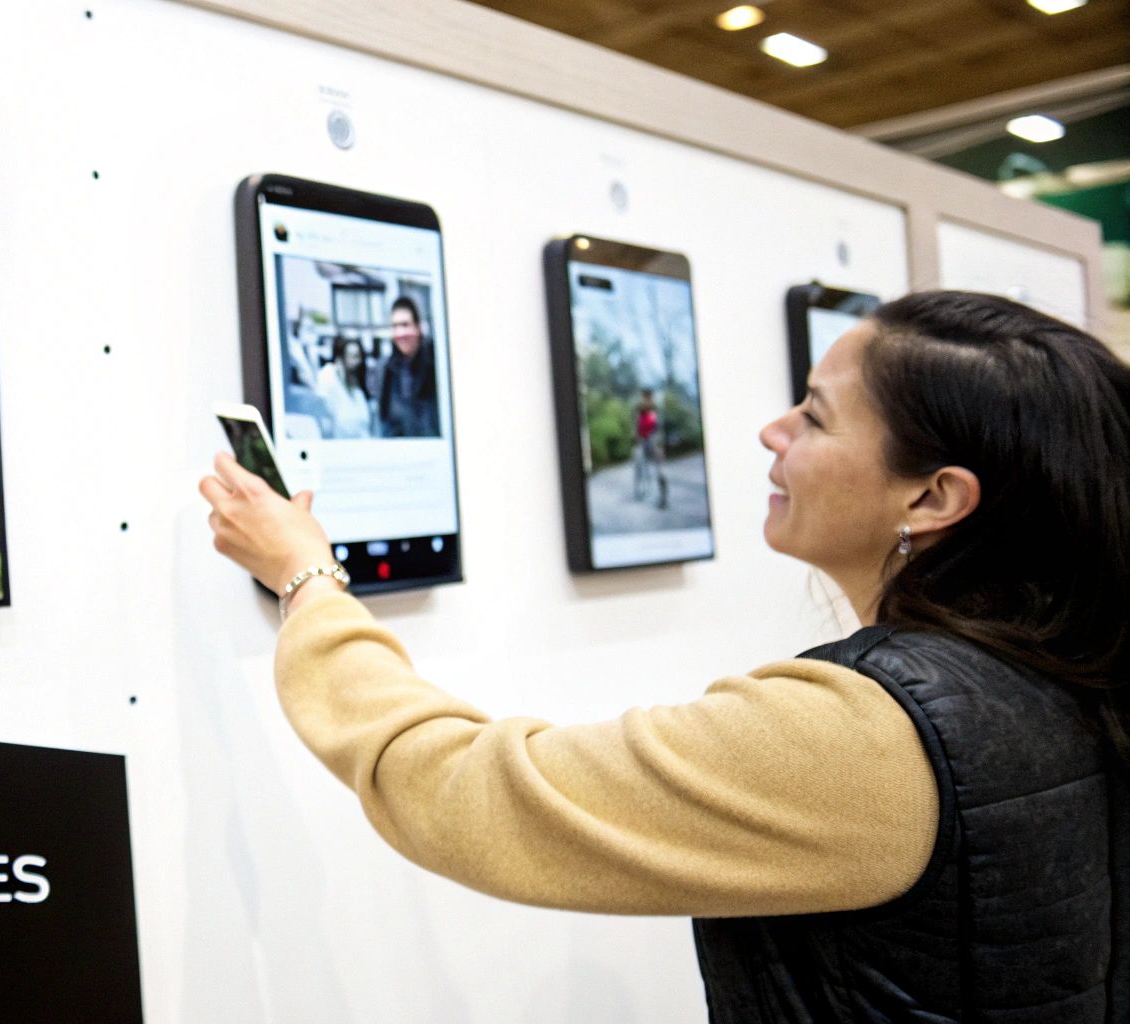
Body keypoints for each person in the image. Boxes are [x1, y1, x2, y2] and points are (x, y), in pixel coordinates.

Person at [199, 291, 1130, 1020]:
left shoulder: (872, 737)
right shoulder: (1069, 674)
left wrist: (305, 579)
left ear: (933, 499)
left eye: (813, 415)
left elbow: (458, 789)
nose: (773, 431)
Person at [376, 296, 439, 437]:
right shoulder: (387, 372)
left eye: (405, 325)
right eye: (395, 326)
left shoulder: (436, 364)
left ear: (418, 327)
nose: (400, 333)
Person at [315, 336, 374, 439]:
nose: (356, 362)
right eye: (352, 356)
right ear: (340, 357)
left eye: (358, 356)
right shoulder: (328, 375)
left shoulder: (357, 383)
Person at [633, 387, 669, 508]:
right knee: (638, 465)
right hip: (643, 442)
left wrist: (660, 446)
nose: (643, 400)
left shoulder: (655, 411)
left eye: (645, 397)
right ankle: (640, 490)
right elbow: (637, 429)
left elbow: (660, 429)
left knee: (660, 470)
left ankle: (663, 498)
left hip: (654, 441)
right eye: (643, 397)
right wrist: (637, 442)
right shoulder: (640, 412)